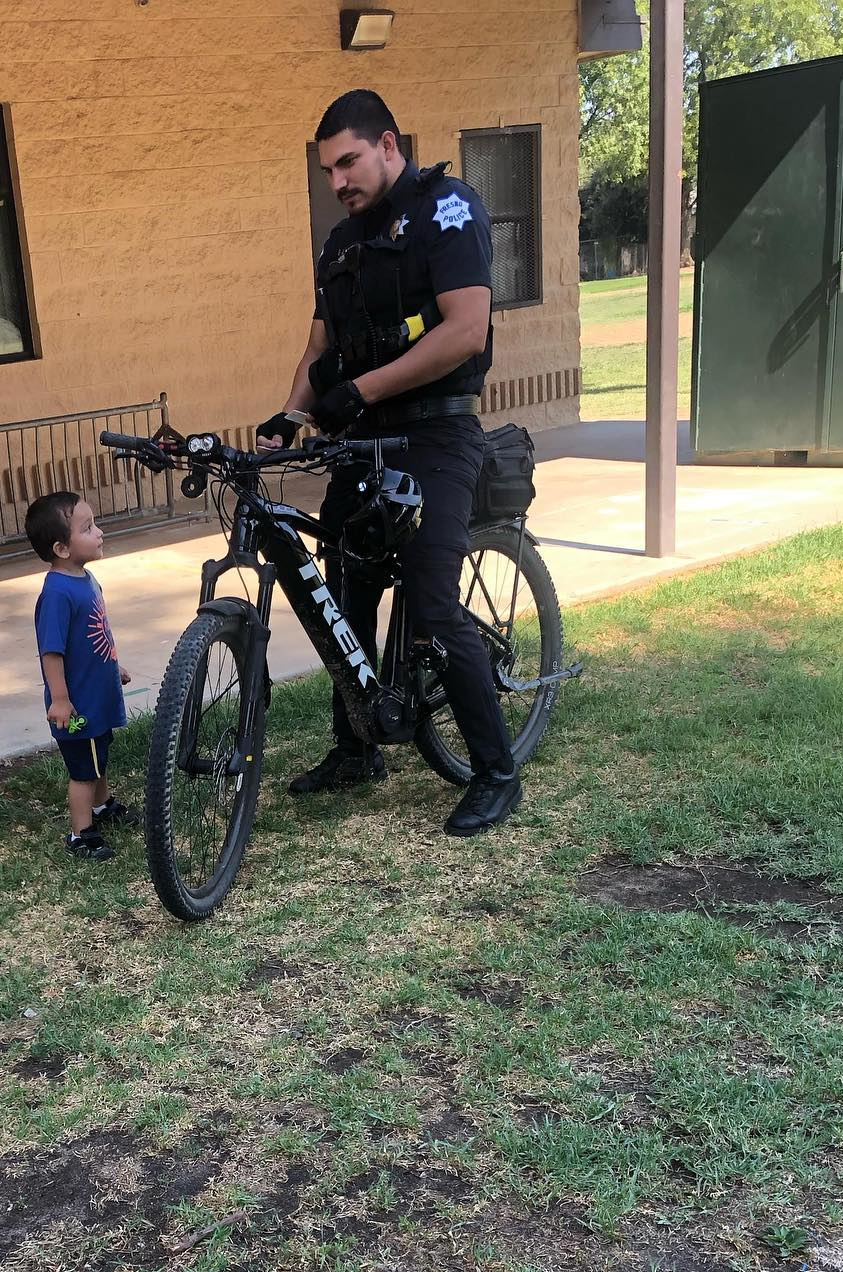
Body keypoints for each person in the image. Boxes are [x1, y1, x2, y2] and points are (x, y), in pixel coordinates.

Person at [256, 89, 520, 837]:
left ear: (389, 146)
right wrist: (295, 413)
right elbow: (317, 351)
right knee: (344, 596)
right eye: (327, 171)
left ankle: (497, 772)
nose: (337, 181)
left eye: (348, 161)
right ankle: (358, 747)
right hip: (360, 440)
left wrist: (359, 390)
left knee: (433, 610)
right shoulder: (340, 245)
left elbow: (466, 331)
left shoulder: (449, 210)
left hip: (436, 437)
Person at [25, 491, 137, 861]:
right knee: (83, 770)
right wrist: (60, 698)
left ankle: (103, 807)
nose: (99, 532)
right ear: (61, 548)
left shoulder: (85, 579)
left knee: (96, 757)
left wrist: (111, 666)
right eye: (88, 528)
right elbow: (51, 652)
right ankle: (81, 833)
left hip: (96, 694)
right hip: (77, 708)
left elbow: (93, 635)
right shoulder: (57, 593)